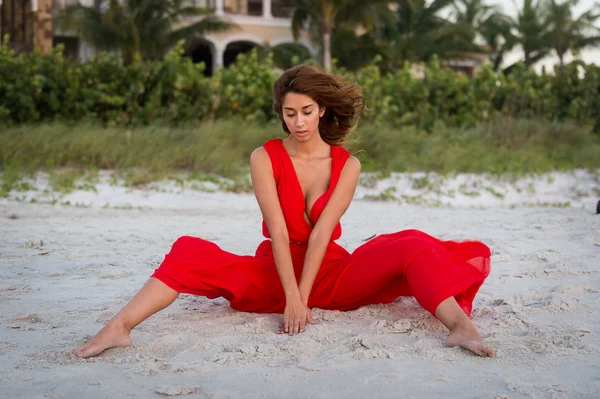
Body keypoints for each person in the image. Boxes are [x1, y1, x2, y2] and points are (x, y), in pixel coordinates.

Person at [74, 64, 495, 359]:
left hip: (332, 272)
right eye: (290, 113)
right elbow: (277, 230)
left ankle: (460, 326)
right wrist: (292, 299)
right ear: (281, 114)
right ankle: (120, 327)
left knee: (412, 243)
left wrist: (305, 298)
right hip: (273, 273)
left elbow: (322, 230)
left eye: (307, 112)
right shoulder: (265, 157)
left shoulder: (347, 165)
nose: (299, 122)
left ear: (322, 109)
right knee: (188, 250)